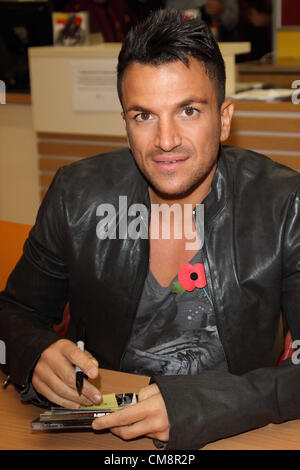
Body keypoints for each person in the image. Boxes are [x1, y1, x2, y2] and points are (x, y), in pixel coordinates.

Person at [0, 9, 300, 450]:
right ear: (125, 124)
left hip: (237, 433)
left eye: (189, 111)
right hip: (106, 438)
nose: (165, 140)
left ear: (224, 118)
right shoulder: (76, 195)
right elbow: (13, 313)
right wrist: (35, 351)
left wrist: (199, 406)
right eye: (143, 116)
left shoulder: (285, 204)